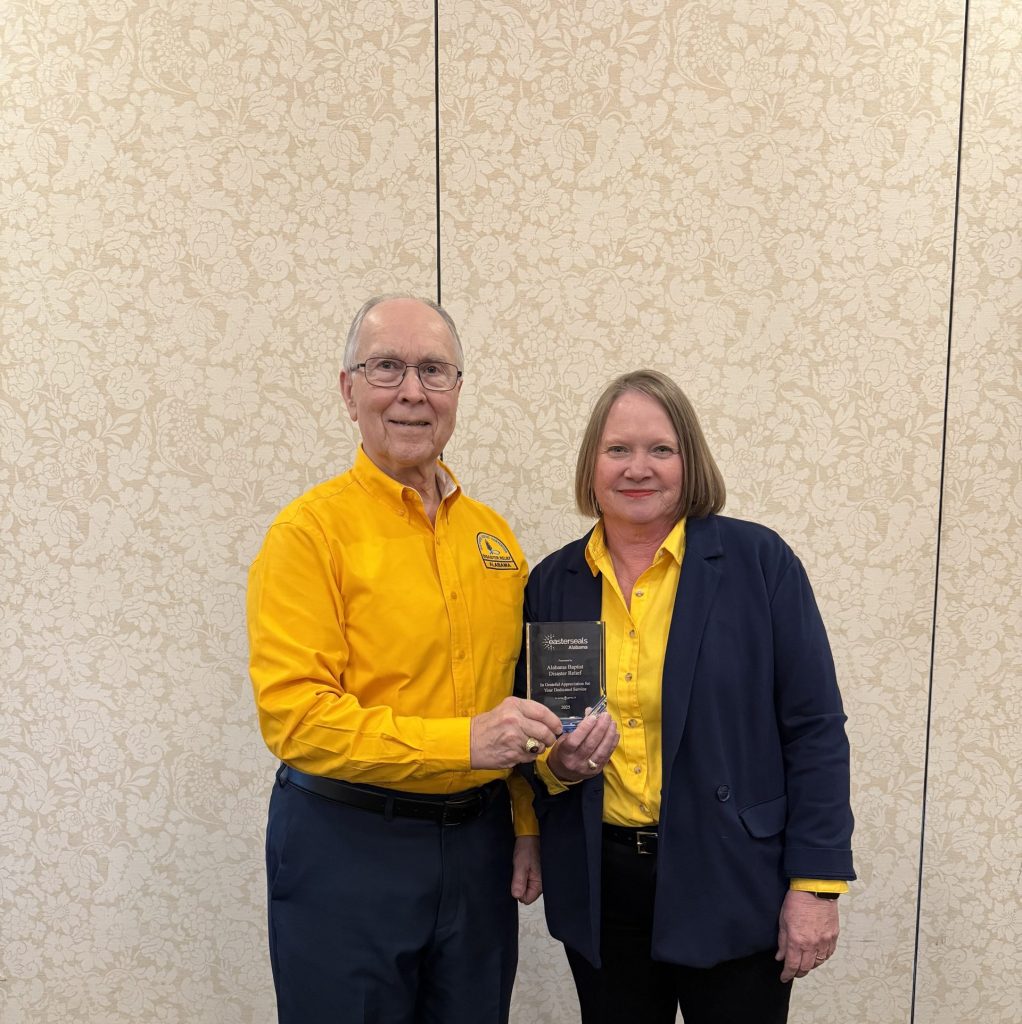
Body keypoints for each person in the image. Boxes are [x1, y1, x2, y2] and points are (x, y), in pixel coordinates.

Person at [247, 295, 562, 1024]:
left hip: (480, 848)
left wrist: (524, 822)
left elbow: (514, 694)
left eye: (434, 370)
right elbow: (296, 719)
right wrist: (464, 743)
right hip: (348, 847)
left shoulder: (494, 538)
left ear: (458, 390)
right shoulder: (308, 535)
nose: (413, 392)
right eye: (386, 367)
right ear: (348, 389)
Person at [516, 369, 855, 1024]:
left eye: (660, 449)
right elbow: (529, 735)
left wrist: (816, 885)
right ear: (591, 465)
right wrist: (557, 767)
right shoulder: (553, 582)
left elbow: (814, 729)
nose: (637, 468)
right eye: (618, 449)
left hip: (733, 875)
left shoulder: (760, 563)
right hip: (602, 887)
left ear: (689, 461)